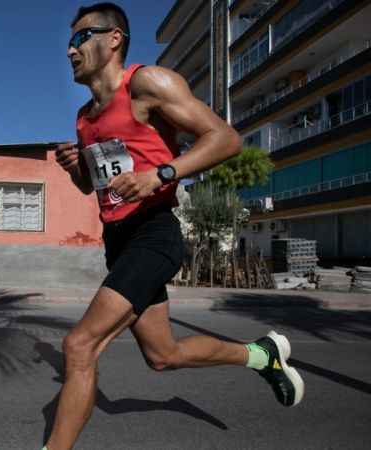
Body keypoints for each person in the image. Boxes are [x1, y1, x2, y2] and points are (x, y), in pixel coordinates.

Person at [45, 3, 304, 450]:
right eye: (69, 42)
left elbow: (225, 138)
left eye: (80, 37)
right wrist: (75, 168)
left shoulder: (147, 83)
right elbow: (95, 187)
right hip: (119, 239)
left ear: (114, 39)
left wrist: (161, 174)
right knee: (163, 356)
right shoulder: (85, 118)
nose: (71, 50)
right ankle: (261, 355)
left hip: (153, 232)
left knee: (79, 346)